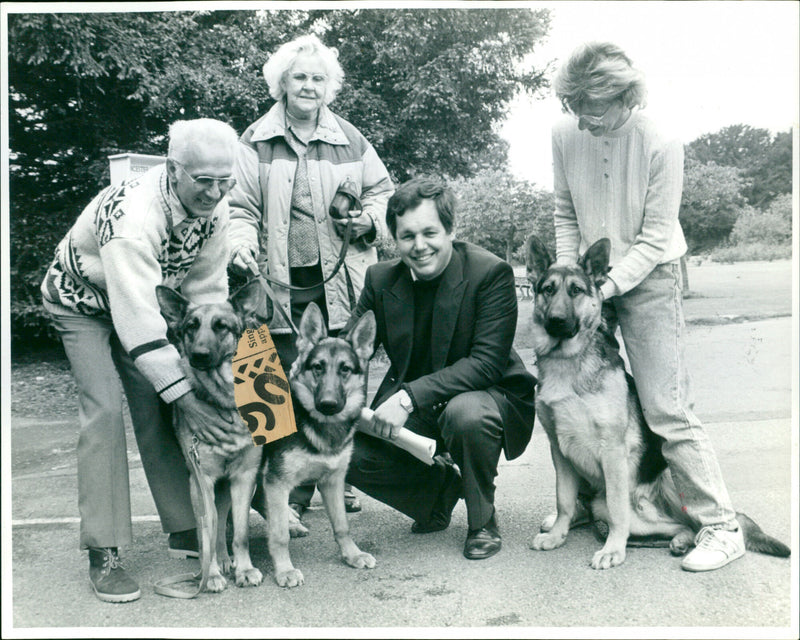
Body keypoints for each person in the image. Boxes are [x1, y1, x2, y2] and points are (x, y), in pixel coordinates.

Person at [550, 41, 744, 571]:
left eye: (591, 108)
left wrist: (605, 290)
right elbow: (566, 214)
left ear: (623, 97)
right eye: (574, 107)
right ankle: (613, 507)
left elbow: (656, 237)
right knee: (586, 406)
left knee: (664, 407)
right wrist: (572, 285)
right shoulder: (566, 133)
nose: (582, 120)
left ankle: (722, 526)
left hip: (649, 277)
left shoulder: (660, 141)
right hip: (589, 281)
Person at [40, 118, 241, 602]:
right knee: (106, 408)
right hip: (82, 304)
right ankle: (103, 550)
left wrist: (211, 384)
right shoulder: (135, 218)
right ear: (174, 169)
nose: (215, 193)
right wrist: (188, 396)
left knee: (160, 403)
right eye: (204, 181)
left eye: (224, 180)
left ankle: (188, 526)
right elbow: (136, 320)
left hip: (143, 305)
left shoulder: (217, 208)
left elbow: (207, 293)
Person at [227, 33, 394, 522]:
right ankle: (281, 496)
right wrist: (239, 246)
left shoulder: (351, 138)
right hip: (273, 282)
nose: (308, 86)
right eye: (299, 77)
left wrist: (370, 221)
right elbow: (237, 208)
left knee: (333, 383)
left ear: (330, 86)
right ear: (282, 83)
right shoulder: (254, 139)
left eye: (318, 78)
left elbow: (384, 194)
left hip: (336, 285)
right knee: (266, 384)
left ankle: (330, 478)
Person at [344, 177, 536, 560]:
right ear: (393, 239)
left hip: (487, 397)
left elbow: (485, 363)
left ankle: (483, 519)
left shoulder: (490, 272)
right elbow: (349, 351)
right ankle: (437, 495)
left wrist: (408, 396)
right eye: (407, 236)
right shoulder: (379, 278)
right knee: (343, 448)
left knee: (465, 413)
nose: (419, 246)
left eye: (430, 232)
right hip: (417, 406)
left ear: (451, 229)